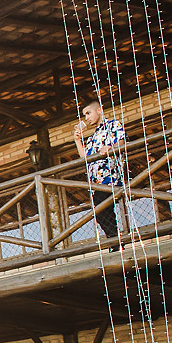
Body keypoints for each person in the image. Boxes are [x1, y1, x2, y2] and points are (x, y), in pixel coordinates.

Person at [73, 100, 127, 240]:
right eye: (84, 115)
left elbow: (121, 141)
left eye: (88, 113)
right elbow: (84, 156)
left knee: (101, 209)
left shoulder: (113, 125)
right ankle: (116, 242)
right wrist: (78, 140)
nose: (86, 118)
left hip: (110, 178)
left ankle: (115, 240)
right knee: (103, 212)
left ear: (99, 110)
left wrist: (111, 148)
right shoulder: (92, 138)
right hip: (96, 182)